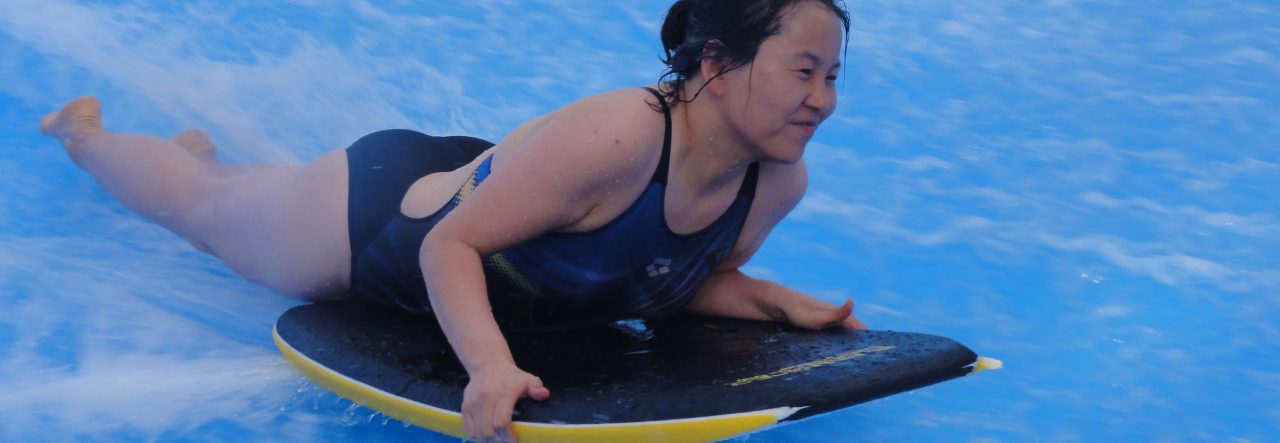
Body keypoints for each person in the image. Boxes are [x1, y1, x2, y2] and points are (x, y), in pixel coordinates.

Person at [40, 0, 864, 441]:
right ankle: (86, 135)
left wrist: (775, 301)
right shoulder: (621, 136)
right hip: (380, 222)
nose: (822, 99)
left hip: (513, 195)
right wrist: (489, 367)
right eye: (803, 71)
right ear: (716, 63)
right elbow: (451, 243)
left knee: (235, 197)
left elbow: (669, 275)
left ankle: (205, 157)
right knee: (203, 212)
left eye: (832, 75)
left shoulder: (775, 182)